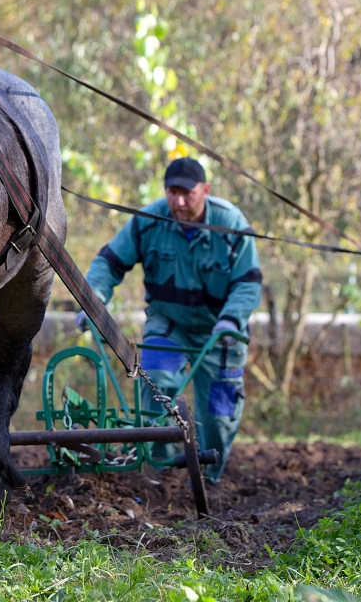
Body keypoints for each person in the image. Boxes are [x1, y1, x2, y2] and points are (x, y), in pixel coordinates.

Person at [78, 157, 262, 482]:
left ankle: (207, 479)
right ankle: (159, 475)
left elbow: (248, 284)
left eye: (186, 194)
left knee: (219, 416)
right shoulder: (148, 221)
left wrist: (232, 320)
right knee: (156, 386)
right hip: (169, 323)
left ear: (205, 190)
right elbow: (108, 263)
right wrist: (93, 301)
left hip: (220, 329)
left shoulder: (231, 225)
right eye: (171, 193)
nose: (177, 202)